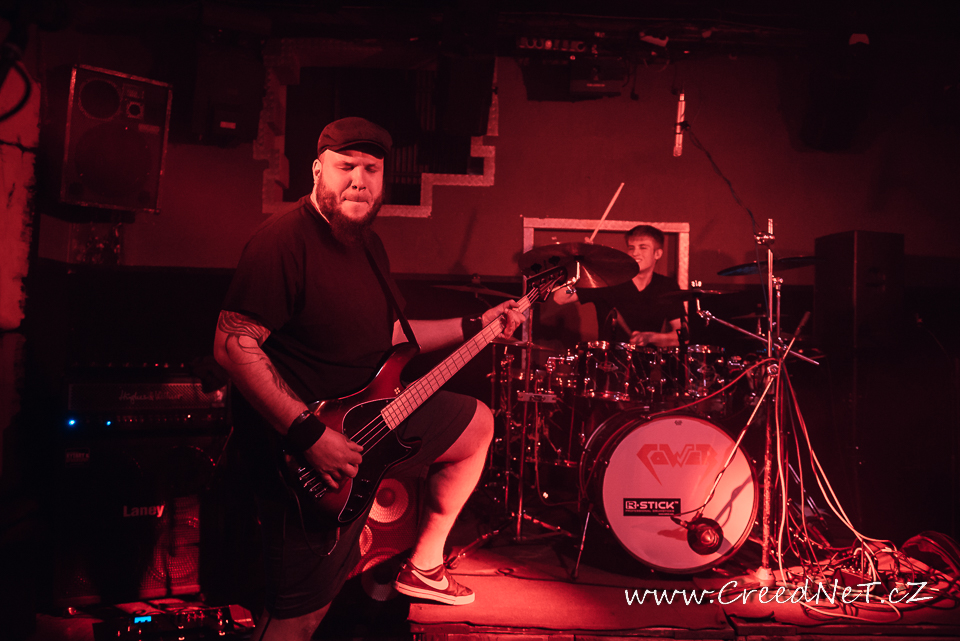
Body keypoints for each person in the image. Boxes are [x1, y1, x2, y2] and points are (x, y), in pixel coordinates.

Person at [213, 117, 524, 641]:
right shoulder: (283, 241)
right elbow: (232, 345)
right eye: (346, 167)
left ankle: (424, 565)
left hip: (374, 422)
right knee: (299, 617)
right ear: (317, 171)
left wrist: (478, 324)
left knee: (475, 424)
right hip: (307, 452)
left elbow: (390, 336)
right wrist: (310, 436)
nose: (359, 180)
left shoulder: (367, 245)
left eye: (372, 169)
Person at [553, 224, 683, 347]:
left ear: (657, 254)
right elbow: (561, 297)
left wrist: (650, 337)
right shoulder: (608, 280)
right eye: (631, 248)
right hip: (607, 360)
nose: (635, 253)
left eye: (643, 247)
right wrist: (580, 266)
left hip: (648, 362)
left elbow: (682, 336)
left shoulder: (667, 286)